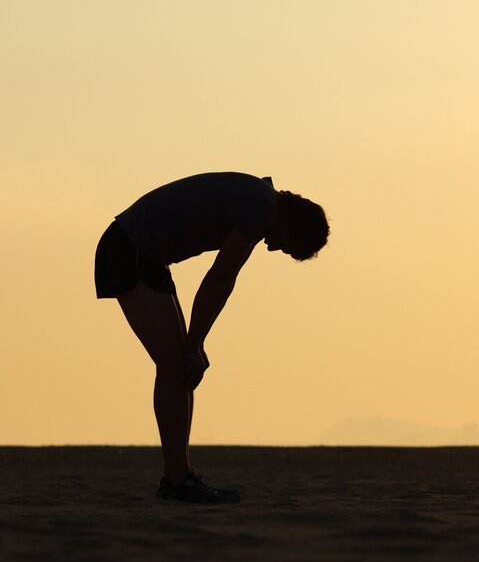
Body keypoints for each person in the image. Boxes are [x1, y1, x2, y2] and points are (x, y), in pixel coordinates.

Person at [94, 172, 329, 503]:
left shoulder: (260, 203)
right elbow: (219, 278)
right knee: (176, 365)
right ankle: (176, 481)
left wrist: (195, 342)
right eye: (286, 245)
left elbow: (224, 282)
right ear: (291, 219)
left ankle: (180, 477)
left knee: (181, 368)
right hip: (126, 250)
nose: (274, 249)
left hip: (143, 256)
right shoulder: (260, 207)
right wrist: (195, 343)